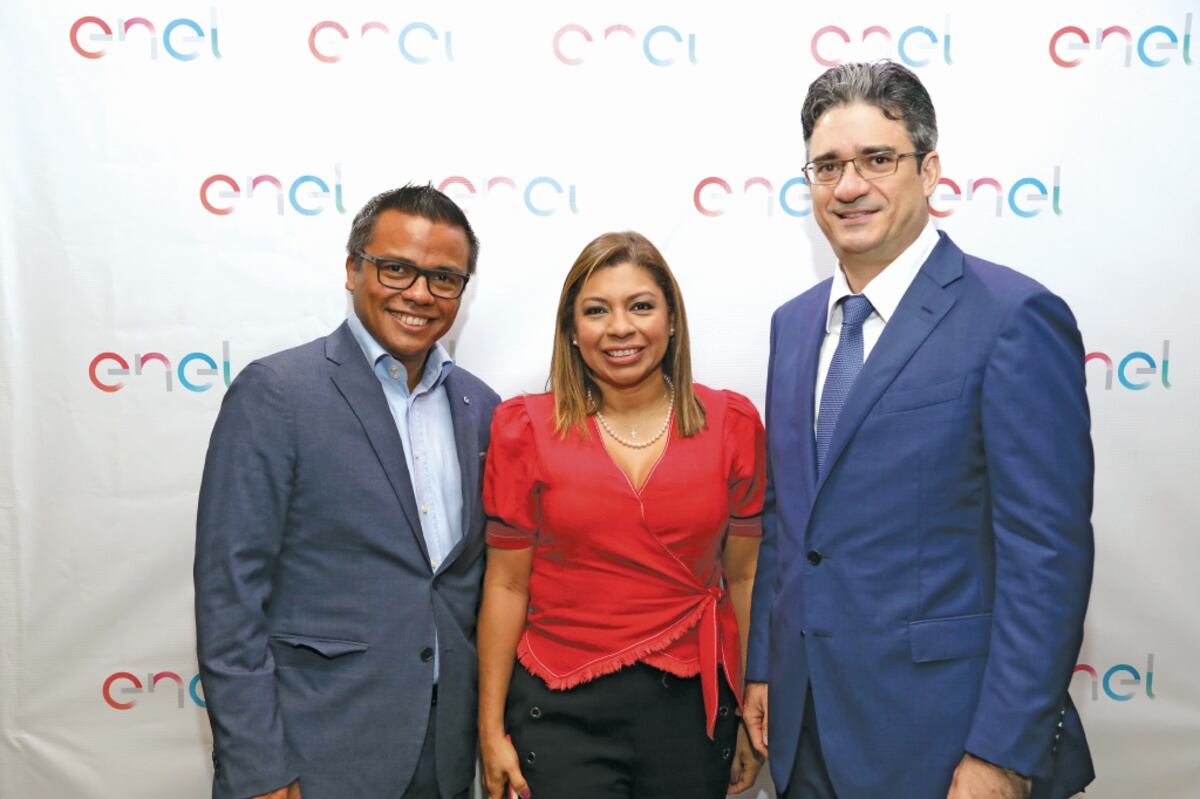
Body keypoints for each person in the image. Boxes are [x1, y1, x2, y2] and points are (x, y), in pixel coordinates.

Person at [742, 61, 1095, 799]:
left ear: (928, 171)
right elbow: (789, 525)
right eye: (828, 166)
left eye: (877, 159)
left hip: (946, 740)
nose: (849, 186)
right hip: (806, 733)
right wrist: (767, 668)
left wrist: (1001, 753)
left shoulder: (1012, 317)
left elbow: (1046, 557)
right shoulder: (792, 326)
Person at [194, 184, 500, 799]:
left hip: (444, 757)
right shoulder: (277, 393)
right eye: (396, 269)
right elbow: (230, 594)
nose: (420, 293)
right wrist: (257, 764)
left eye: (444, 278)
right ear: (353, 269)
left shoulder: (482, 406)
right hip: (312, 754)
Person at [477, 231, 765, 799]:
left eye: (640, 306)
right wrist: (489, 730)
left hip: (693, 713)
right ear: (571, 330)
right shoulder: (525, 428)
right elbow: (507, 586)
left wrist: (747, 701)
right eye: (596, 310)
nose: (620, 327)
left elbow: (744, 578)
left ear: (672, 320)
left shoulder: (731, 423)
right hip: (559, 711)